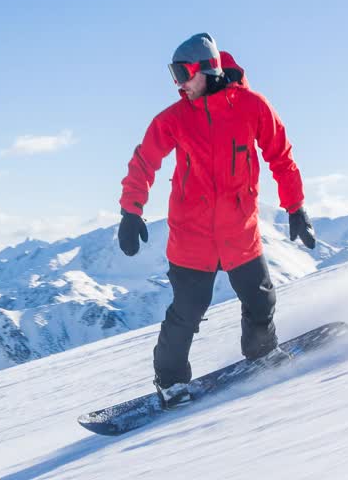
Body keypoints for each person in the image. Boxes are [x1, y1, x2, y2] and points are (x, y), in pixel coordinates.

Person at [117, 32, 317, 409]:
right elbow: (144, 161)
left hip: (239, 230)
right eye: (173, 75)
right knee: (187, 313)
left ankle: (261, 355)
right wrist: (131, 210)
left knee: (261, 302)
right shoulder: (175, 118)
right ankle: (171, 382)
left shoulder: (252, 107)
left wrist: (296, 207)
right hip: (191, 234)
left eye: (183, 73)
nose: (178, 84)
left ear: (206, 69)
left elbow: (281, 157)